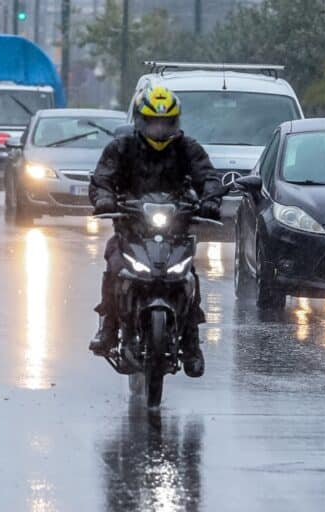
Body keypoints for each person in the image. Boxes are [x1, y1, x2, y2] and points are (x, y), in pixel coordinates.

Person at [87, 85, 223, 378]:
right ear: (140, 120)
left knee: (188, 275)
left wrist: (211, 200)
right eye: (152, 122)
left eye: (166, 122)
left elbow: (208, 176)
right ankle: (108, 328)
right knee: (114, 264)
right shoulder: (121, 148)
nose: (159, 129)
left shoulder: (188, 148)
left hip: (176, 230)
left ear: (176, 122)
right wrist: (104, 198)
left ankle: (191, 343)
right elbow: (102, 178)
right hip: (131, 228)